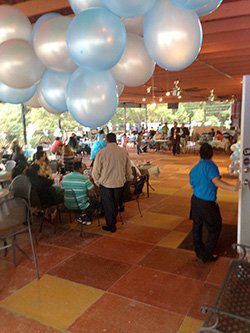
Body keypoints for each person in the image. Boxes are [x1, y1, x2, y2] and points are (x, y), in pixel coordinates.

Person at [189, 143, 239, 263]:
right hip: (207, 203)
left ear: (200, 153)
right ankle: (207, 254)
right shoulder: (211, 166)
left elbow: (193, 184)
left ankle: (199, 251)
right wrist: (234, 188)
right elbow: (217, 182)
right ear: (211, 153)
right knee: (215, 228)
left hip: (195, 200)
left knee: (197, 226)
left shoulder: (195, 168)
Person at [92, 133, 132, 233]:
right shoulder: (123, 152)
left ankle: (111, 225)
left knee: (108, 205)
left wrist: (97, 181)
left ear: (106, 141)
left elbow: (95, 170)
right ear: (116, 140)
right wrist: (127, 177)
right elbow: (128, 167)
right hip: (119, 182)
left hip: (106, 183)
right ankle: (112, 221)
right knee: (115, 203)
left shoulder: (101, 152)